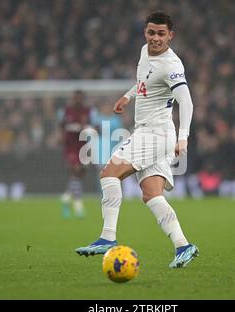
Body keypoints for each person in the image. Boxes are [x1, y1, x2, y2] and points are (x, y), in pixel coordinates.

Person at [76, 12, 198, 268]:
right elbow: (144, 83)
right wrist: (128, 96)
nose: (155, 38)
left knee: (109, 174)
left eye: (161, 34)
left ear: (170, 36)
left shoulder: (171, 65)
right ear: (145, 32)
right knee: (151, 194)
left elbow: (186, 101)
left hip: (156, 133)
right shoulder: (145, 52)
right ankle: (183, 246)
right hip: (149, 131)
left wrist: (184, 137)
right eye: (151, 32)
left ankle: (107, 237)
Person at [58, 90, 91, 218]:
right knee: (76, 170)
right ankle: (78, 205)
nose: (77, 100)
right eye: (75, 98)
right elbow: (61, 126)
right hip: (70, 146)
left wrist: (86, 128)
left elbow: (93, 126)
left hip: (83, 145)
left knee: (80, 173)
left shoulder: (88, 111)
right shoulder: (66, 111)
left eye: (79, 98)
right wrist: (60, 136)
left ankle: (66, 198)